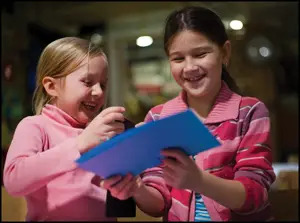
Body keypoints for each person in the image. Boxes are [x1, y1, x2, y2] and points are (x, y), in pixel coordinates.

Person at [100, 6, 276, 221]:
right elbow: (158, 204)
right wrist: (136, 188)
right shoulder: (158, 118)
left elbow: (255, 195)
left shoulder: (249, 112)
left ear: (225, 53)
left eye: (200, 54)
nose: (190, 67)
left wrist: (199, 181)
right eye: (178, 59)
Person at [3, 37, 129, 221]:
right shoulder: (35, 126)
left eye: (103, 84)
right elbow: (14, 181)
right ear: (52, 86)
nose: (100, 92)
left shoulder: (103, 133)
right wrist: (79, 144)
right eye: (87, 82)